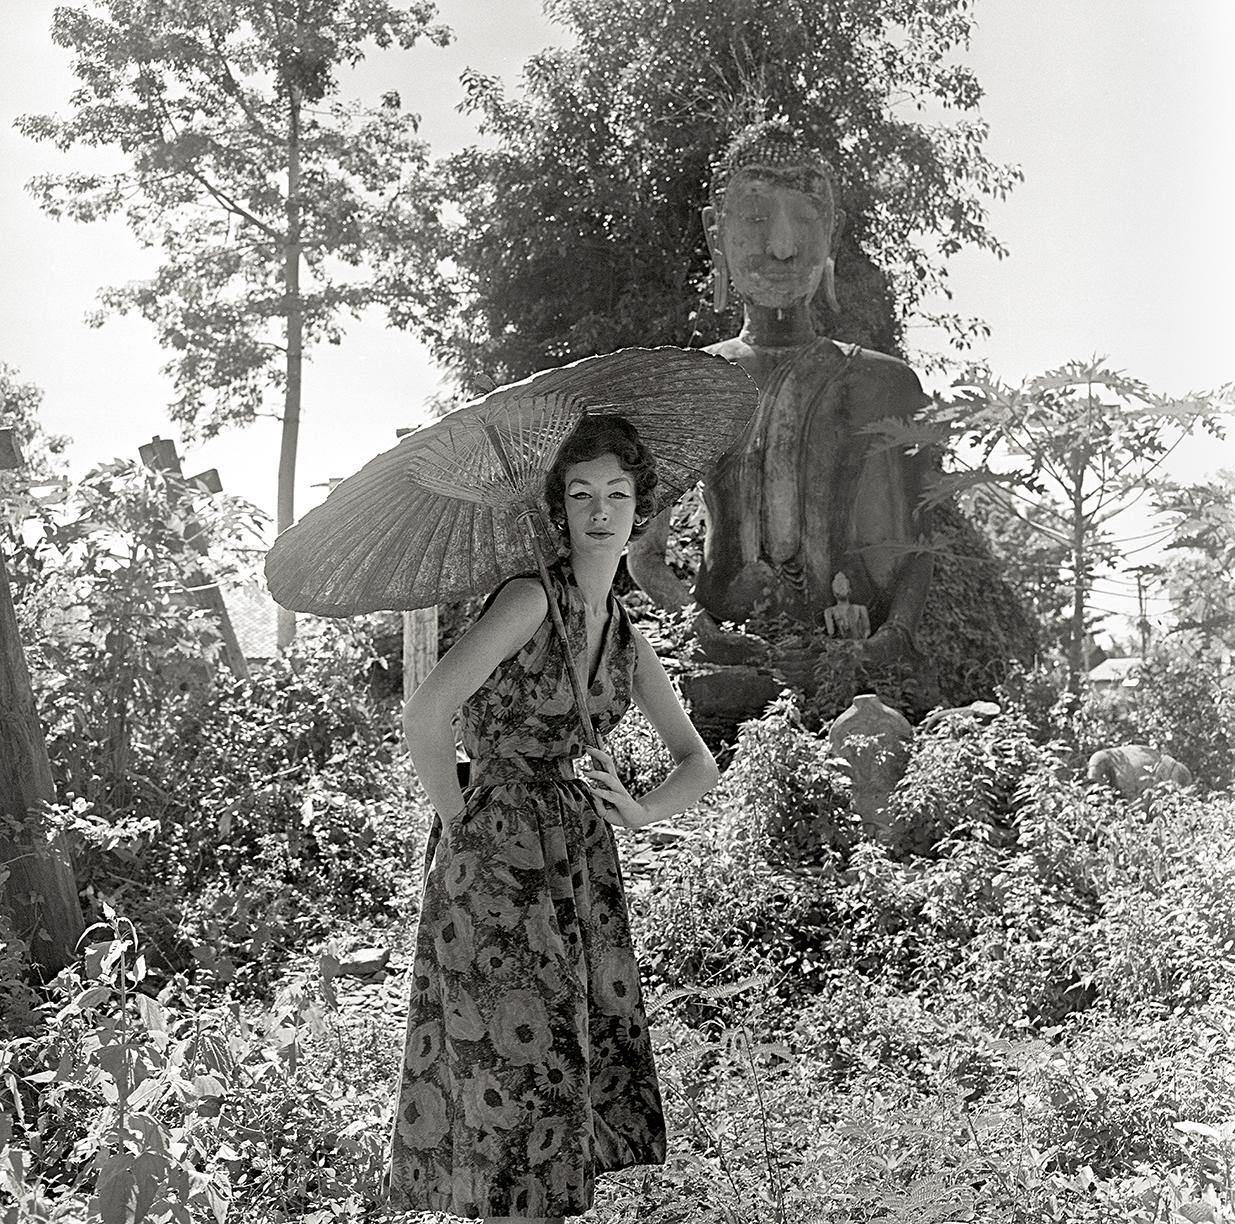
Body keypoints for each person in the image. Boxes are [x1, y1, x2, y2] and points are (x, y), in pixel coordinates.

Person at [387, 415, 720, 1222]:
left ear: (640, 508)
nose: (599, 511)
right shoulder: (531, 598)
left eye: (616, 493)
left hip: (576, 853)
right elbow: (426, 716)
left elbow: (699, 762)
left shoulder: (624, 633)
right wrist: (461, 819)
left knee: (561, 1051)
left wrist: (638, 813)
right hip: (495, 850)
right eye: (580, 495)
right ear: (560, 509)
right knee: (503, 1060)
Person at [628, 119, 935, 666]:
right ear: (714, 233)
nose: (783, 245)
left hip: (851, 658)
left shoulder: (884, 385)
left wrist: (891, 639)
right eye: (754, 218)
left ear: (832, 234)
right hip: (727, 656)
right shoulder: (688, 387)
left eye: (806, 219)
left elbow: (918, 549)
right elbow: (644, 555)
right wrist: (697, 628)